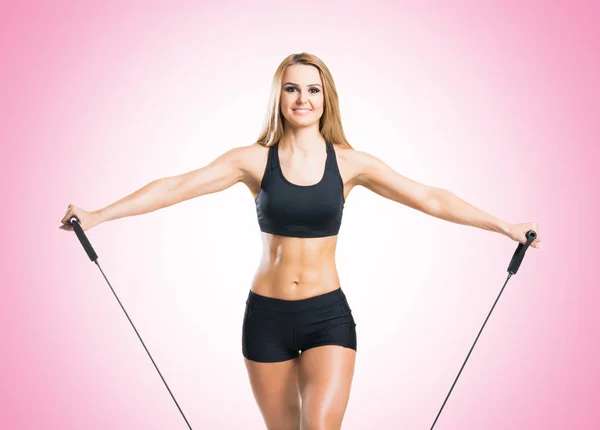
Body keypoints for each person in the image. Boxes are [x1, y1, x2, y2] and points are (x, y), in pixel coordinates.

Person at [60, 52, 541, 430]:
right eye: (292, 88)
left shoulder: (351, 165)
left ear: (326, 98)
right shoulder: (252, 160)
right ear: (279, 96)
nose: (303, 98)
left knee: (319, 426)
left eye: (313, 89)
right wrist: (99, 215)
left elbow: (430, 198)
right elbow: (175, 187)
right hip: (265, 318)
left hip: (327, 316)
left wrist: (504, 226)